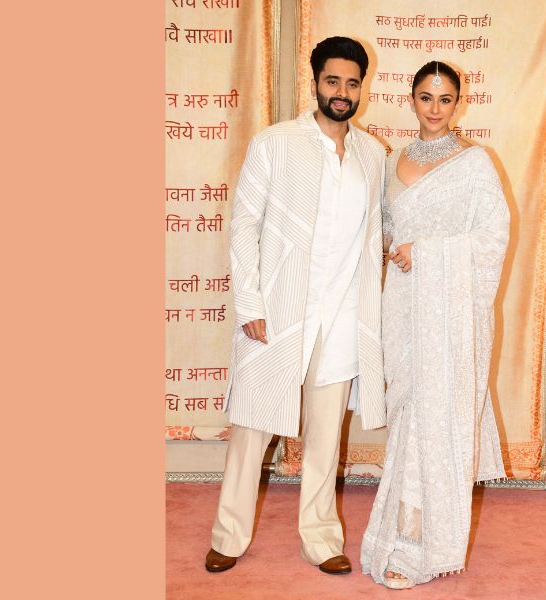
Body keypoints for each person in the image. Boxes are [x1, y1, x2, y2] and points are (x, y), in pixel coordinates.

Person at [205, 36, 387, 576]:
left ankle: (321, 538)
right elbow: (244, 226)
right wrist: (249, 303)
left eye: (352, 83)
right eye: (333, 81)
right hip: (280, 312)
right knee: (252, 429)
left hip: (343, 316)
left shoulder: (372, 155)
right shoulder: (275, 143)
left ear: (361, 88)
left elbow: (379, 229)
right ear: (315, 83)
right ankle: (229, 534)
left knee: (326, 435)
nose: (342, 92)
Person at [360, 61, 510, 590]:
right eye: (426, 97)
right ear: (412, 99)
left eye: (446, 99)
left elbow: (492, 239)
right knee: (408, 415)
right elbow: (380, 228)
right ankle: (402, 532)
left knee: (434, 417)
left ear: (459, 103)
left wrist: (425, 252)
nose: (435, 109)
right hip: (402, 305)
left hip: (450, 314)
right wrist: (385, 249)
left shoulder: (475, 164)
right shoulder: (390, 161)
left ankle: (416, 545)